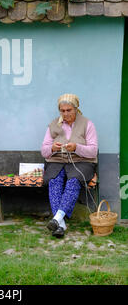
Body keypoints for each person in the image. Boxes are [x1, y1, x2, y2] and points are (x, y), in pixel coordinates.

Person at [41, 93, 98, 238]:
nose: (65, 114)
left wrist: (77, 147)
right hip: (57, 160)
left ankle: (57, 218)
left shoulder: (87, 124)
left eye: (69, 110)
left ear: (76, 108)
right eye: (62, 110)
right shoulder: (53, 124)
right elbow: (44, 151)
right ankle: (61, 225)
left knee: (73, 181)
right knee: (54, 181)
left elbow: (93, 151)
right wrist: (53, 148)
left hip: (81, 161)